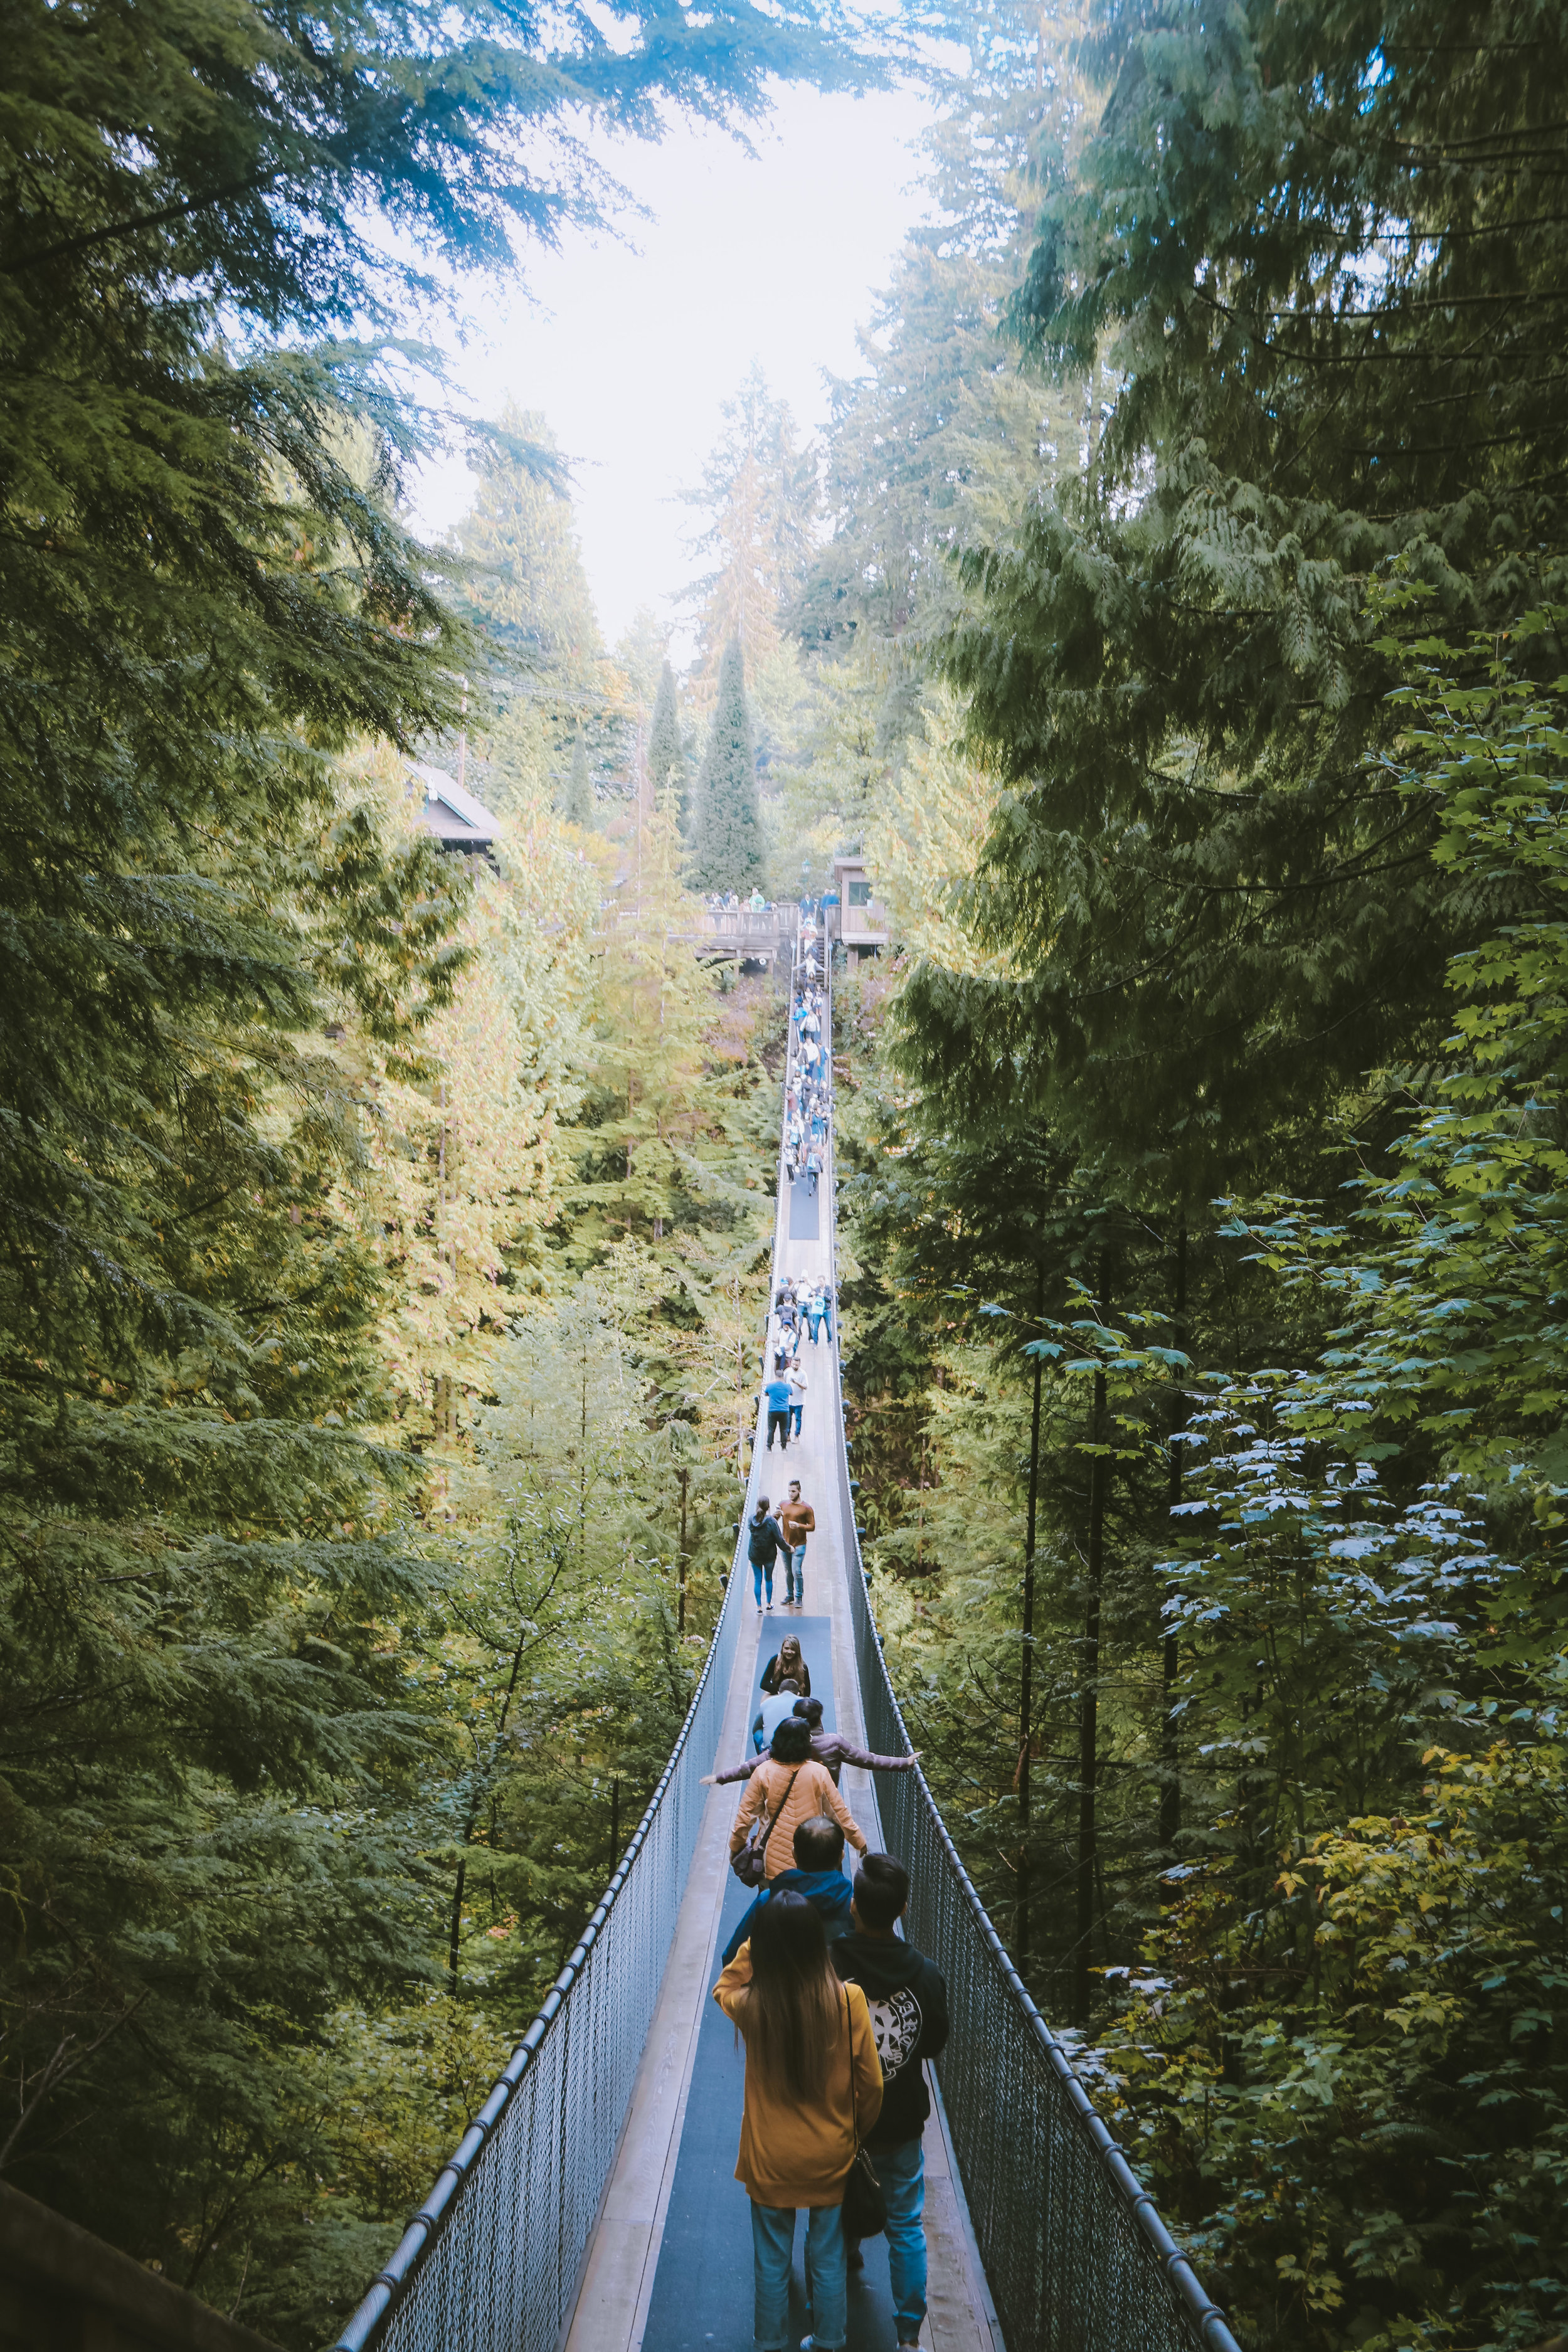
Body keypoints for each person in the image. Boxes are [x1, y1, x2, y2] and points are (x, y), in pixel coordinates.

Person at [712, 1888, 882, 2352]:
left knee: (771, 2260)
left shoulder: (753, 2007)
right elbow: (872, 2086)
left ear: (764, 1947)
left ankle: (769, 2343)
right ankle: (829, 2341)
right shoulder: (849, 2001)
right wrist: (854, 2134)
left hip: (771, 2158)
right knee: (828, 2257)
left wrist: (755, 1944)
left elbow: (723, 1987)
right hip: (830, 2154)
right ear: (816, 1942)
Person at [830, 1855, 950, 2352]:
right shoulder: (925, 1975)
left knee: (831, 2217)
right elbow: (934, 2043)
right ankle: (907, 2337)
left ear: (853, 1905)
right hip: (900, 2122)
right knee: (906, 2225)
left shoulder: (829, 1964)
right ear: (902, 1908)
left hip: (838, 2119)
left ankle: (831, 2317)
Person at [728, 1720, 867, 1885]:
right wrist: (858, 1841)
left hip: (773, 1865)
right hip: (811, 1861)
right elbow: (838, 1813)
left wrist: (736, 1846)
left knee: (771, 1904)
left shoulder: (763, 1772)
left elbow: (745, 1816)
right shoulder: (819, 1772)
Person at [722, 1813, 854, 1964]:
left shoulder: (767, 1900)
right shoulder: (855, 1905)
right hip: (835, 1987)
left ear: (794, 1854)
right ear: (841, 1856)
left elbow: (733, 1958)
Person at [706, 1697, 918, 1791]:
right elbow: (868, 1760)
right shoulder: (834, 1743)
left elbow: (751, 1766)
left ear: (795, 1717)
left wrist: (720, 1777)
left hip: (792, 1800)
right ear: (819, 1719)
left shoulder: (784, 1743)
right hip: (826, 1799)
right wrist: (904, 1762)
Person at [777, 1478, 814, 1606]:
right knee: (788, 1571)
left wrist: (799, 1526)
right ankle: (790, 1595)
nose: (791, 1494)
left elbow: (812, 1526)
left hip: (799, 1545)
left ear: (799, 1491)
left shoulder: (806, 1508)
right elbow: (773, 1520)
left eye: (793, 1491)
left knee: (796, 1571)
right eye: (789, 1491)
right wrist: (776, 1514)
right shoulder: (783, 1504)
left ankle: (799, 1597)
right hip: (785, 1544)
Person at [748, 1497, 787, 1611]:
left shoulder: (751, 1519)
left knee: (757, 1580)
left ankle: (759, 1607)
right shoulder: (771, 1521)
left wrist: (773, 1518)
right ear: (769, 1508)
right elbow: (779, 1539)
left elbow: (760, 1526)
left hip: (755, 1555)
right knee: (768, 1579)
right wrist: (789, 1548)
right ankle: (769, 1605)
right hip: (769, 1556)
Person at [753, 1675, 803, 1752]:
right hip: (798, 1749)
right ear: (798, 1693)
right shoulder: (806, 1704)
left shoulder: (766, 1703)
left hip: (771, 1750)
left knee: (758, 1733)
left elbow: (756, 1728)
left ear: (779, 1693)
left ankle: (761, 1758)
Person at [761, 1632, 810, 1697]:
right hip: (777, 1694)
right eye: (787, 1648)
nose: (789, 1652)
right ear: (782, 1648)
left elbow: (807, 1692)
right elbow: (764, 1684)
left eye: (793, 1649)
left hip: (795, 1697)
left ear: (797, 1651)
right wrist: (782, 1692)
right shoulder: (775, 1660)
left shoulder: (803, 1667)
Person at [764, 1368, 792, 1452]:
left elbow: (766, 1393)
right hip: (784, 1411)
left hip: (773, 1410)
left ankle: (769, 1447)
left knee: (771, 1429)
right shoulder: (787, 1386)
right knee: (784, 1430)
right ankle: (784, 1447)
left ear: (776, 1377)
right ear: (783, 1377)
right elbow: (792, 1393)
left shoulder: (771, 1386)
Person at [790, 1360, 808, 1441]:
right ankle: (787, 1435)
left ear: (800, 1365)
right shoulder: (787, 1372)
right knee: (788, 1419)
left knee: (798, 1419)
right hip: (789, 1401)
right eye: (793, 1364)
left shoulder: (803, 1374)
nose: (795, 1366)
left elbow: (805, 1387)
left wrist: (797, 1383)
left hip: (799, 1402)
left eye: (797, 1365)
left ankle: (796, 1436)